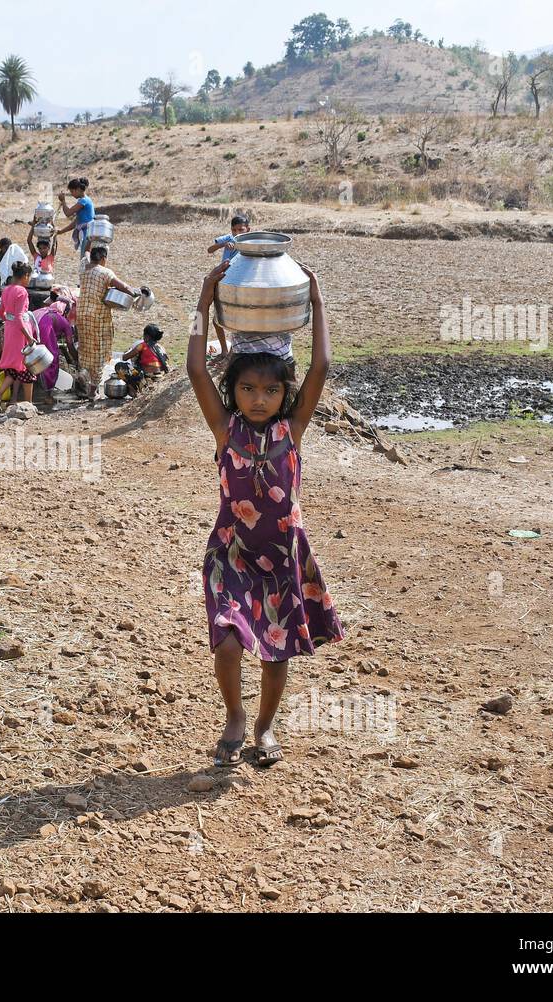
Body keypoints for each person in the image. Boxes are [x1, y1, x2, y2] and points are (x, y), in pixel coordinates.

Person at [188, 259, 344, 769]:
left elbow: (320, 367)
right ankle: (235, 716)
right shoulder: (224, 430)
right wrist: (203, 303)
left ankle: (264, 725)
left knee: (278, 655)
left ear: (286, 394)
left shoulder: (292, 431)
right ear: (232, 390)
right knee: (229, 645)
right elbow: (194, 368)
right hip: (231, 553)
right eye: (249, 389)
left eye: (271, 390)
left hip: (282, 556)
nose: (260, 399)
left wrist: (317, 303)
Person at [75, 244, 136, 396]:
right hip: (98, 318)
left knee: (85, 348)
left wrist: (89, 239)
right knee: (99, 353)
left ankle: (83, 372)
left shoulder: (83, 267)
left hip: (81, 315)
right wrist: (134, 292)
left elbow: (86, 253)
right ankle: (92, 391)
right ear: (103, 258)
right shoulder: (105, 272)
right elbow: (123, 287)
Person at [0, 262, 38, 405]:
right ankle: (29, 404)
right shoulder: (22, 291)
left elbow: (0, 313)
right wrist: (29, 337)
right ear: (25, 276)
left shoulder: (6, 290)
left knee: (13, 369)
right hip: (20, 334)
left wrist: (10, 320)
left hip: (9, 332)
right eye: (29, 277)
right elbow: (20, 317)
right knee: (27, 369)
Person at [31, 298, 72, 392]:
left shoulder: (43, 311)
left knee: (34, 358)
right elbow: (70, 344)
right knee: (50, 359)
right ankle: (47, 392)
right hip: (44, 329)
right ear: (65, 311)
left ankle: (35, 388)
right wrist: (76, 359)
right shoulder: (63, 321)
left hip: (31, 330)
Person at [57, 178, 95, 259]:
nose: (72, 194)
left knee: (85, 260)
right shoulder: (86, 200)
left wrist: (63, 201)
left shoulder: (83, 202)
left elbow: (68, 213)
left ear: (77, 189)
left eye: (72, 191)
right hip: (89, 233)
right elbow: (76, 222)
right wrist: (61, 231)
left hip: (88, 235)